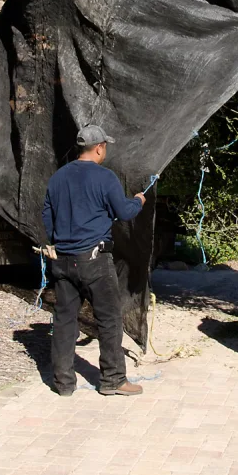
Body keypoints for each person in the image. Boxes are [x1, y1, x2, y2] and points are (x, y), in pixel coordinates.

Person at [41, 124, 148, 397]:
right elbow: (123, 212)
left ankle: (63, 383)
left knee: (65, 321)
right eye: (105, 147)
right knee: (109, 318)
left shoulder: (58, 177)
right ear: (99, 147)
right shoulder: (105, 177)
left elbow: (46, 212)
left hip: (63, 261)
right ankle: (113, 380)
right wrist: (138, 201)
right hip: (95, 261)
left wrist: (55, 240)